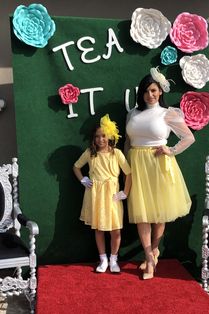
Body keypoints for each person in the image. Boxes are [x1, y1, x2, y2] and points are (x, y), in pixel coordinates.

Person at [124, 68, 195, 280]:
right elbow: (128, 142)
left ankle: (153, 253)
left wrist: (170, 150)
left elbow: (189, 138)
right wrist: (126, 166)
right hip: (137, 165)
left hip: (159, 164)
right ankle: (149, 255)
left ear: (160, 91)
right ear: (141, 93)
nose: (150, 95)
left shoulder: (168, 113)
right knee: (142, 213)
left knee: (159, 211)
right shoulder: (132, 113)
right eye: (146, 91)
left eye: (153, 90)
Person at [73, 114, 132, 273]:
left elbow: (129, 173)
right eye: (97, 136)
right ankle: (103, 259)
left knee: (116, 230)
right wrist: (83, 179)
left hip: (112, 195)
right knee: (98, 228)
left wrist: (125, 192)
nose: (100, 139)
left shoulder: (117, 154)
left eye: (104, 136)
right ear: (93, 139)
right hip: (96, 195)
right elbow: (76, 167)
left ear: (110, 136)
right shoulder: (90, 153)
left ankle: (114, 259)